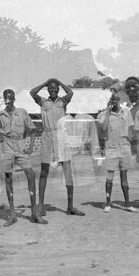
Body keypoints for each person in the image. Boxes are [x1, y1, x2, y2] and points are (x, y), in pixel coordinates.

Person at [30, 78, 85, 217]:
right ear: (47, 90)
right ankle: (41, 206)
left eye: (56, 88)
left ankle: (70, 206)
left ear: (59, 89)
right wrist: (47, 82)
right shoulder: (43, 102)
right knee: (44, 172)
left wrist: (58, 82)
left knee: (67, 171)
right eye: (51, 88)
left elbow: (71, 92)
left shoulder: (63, 102)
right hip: (47, 137)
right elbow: (32, 92)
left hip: (61, 137)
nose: (53, 90)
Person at [0, 89, 47, 226]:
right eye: (6, 98)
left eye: (11, 97)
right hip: (7, 147)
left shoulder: (22, 112)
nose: (9, 100)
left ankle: (34, 213)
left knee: (30, 174)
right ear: (3, 99)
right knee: (8, 178)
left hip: (20, 145)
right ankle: (12, 215)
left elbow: (33, 129)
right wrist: (0, 137)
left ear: (14, 99)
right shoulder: (0, 115)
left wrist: (30, 147)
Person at [97, 92, 138, 213]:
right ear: (110, 101)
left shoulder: (126, 112)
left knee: (124, 176)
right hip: (111, 147)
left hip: (124, 146)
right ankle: (108, 203)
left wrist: (129, 144)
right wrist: (108, 111)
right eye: (112, 100)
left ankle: (127, 203)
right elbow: (103, 128)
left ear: (119, 100)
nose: (114, 102)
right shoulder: (104, 114)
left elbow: (131, 129)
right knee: (110, 176)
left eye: (116, 100)